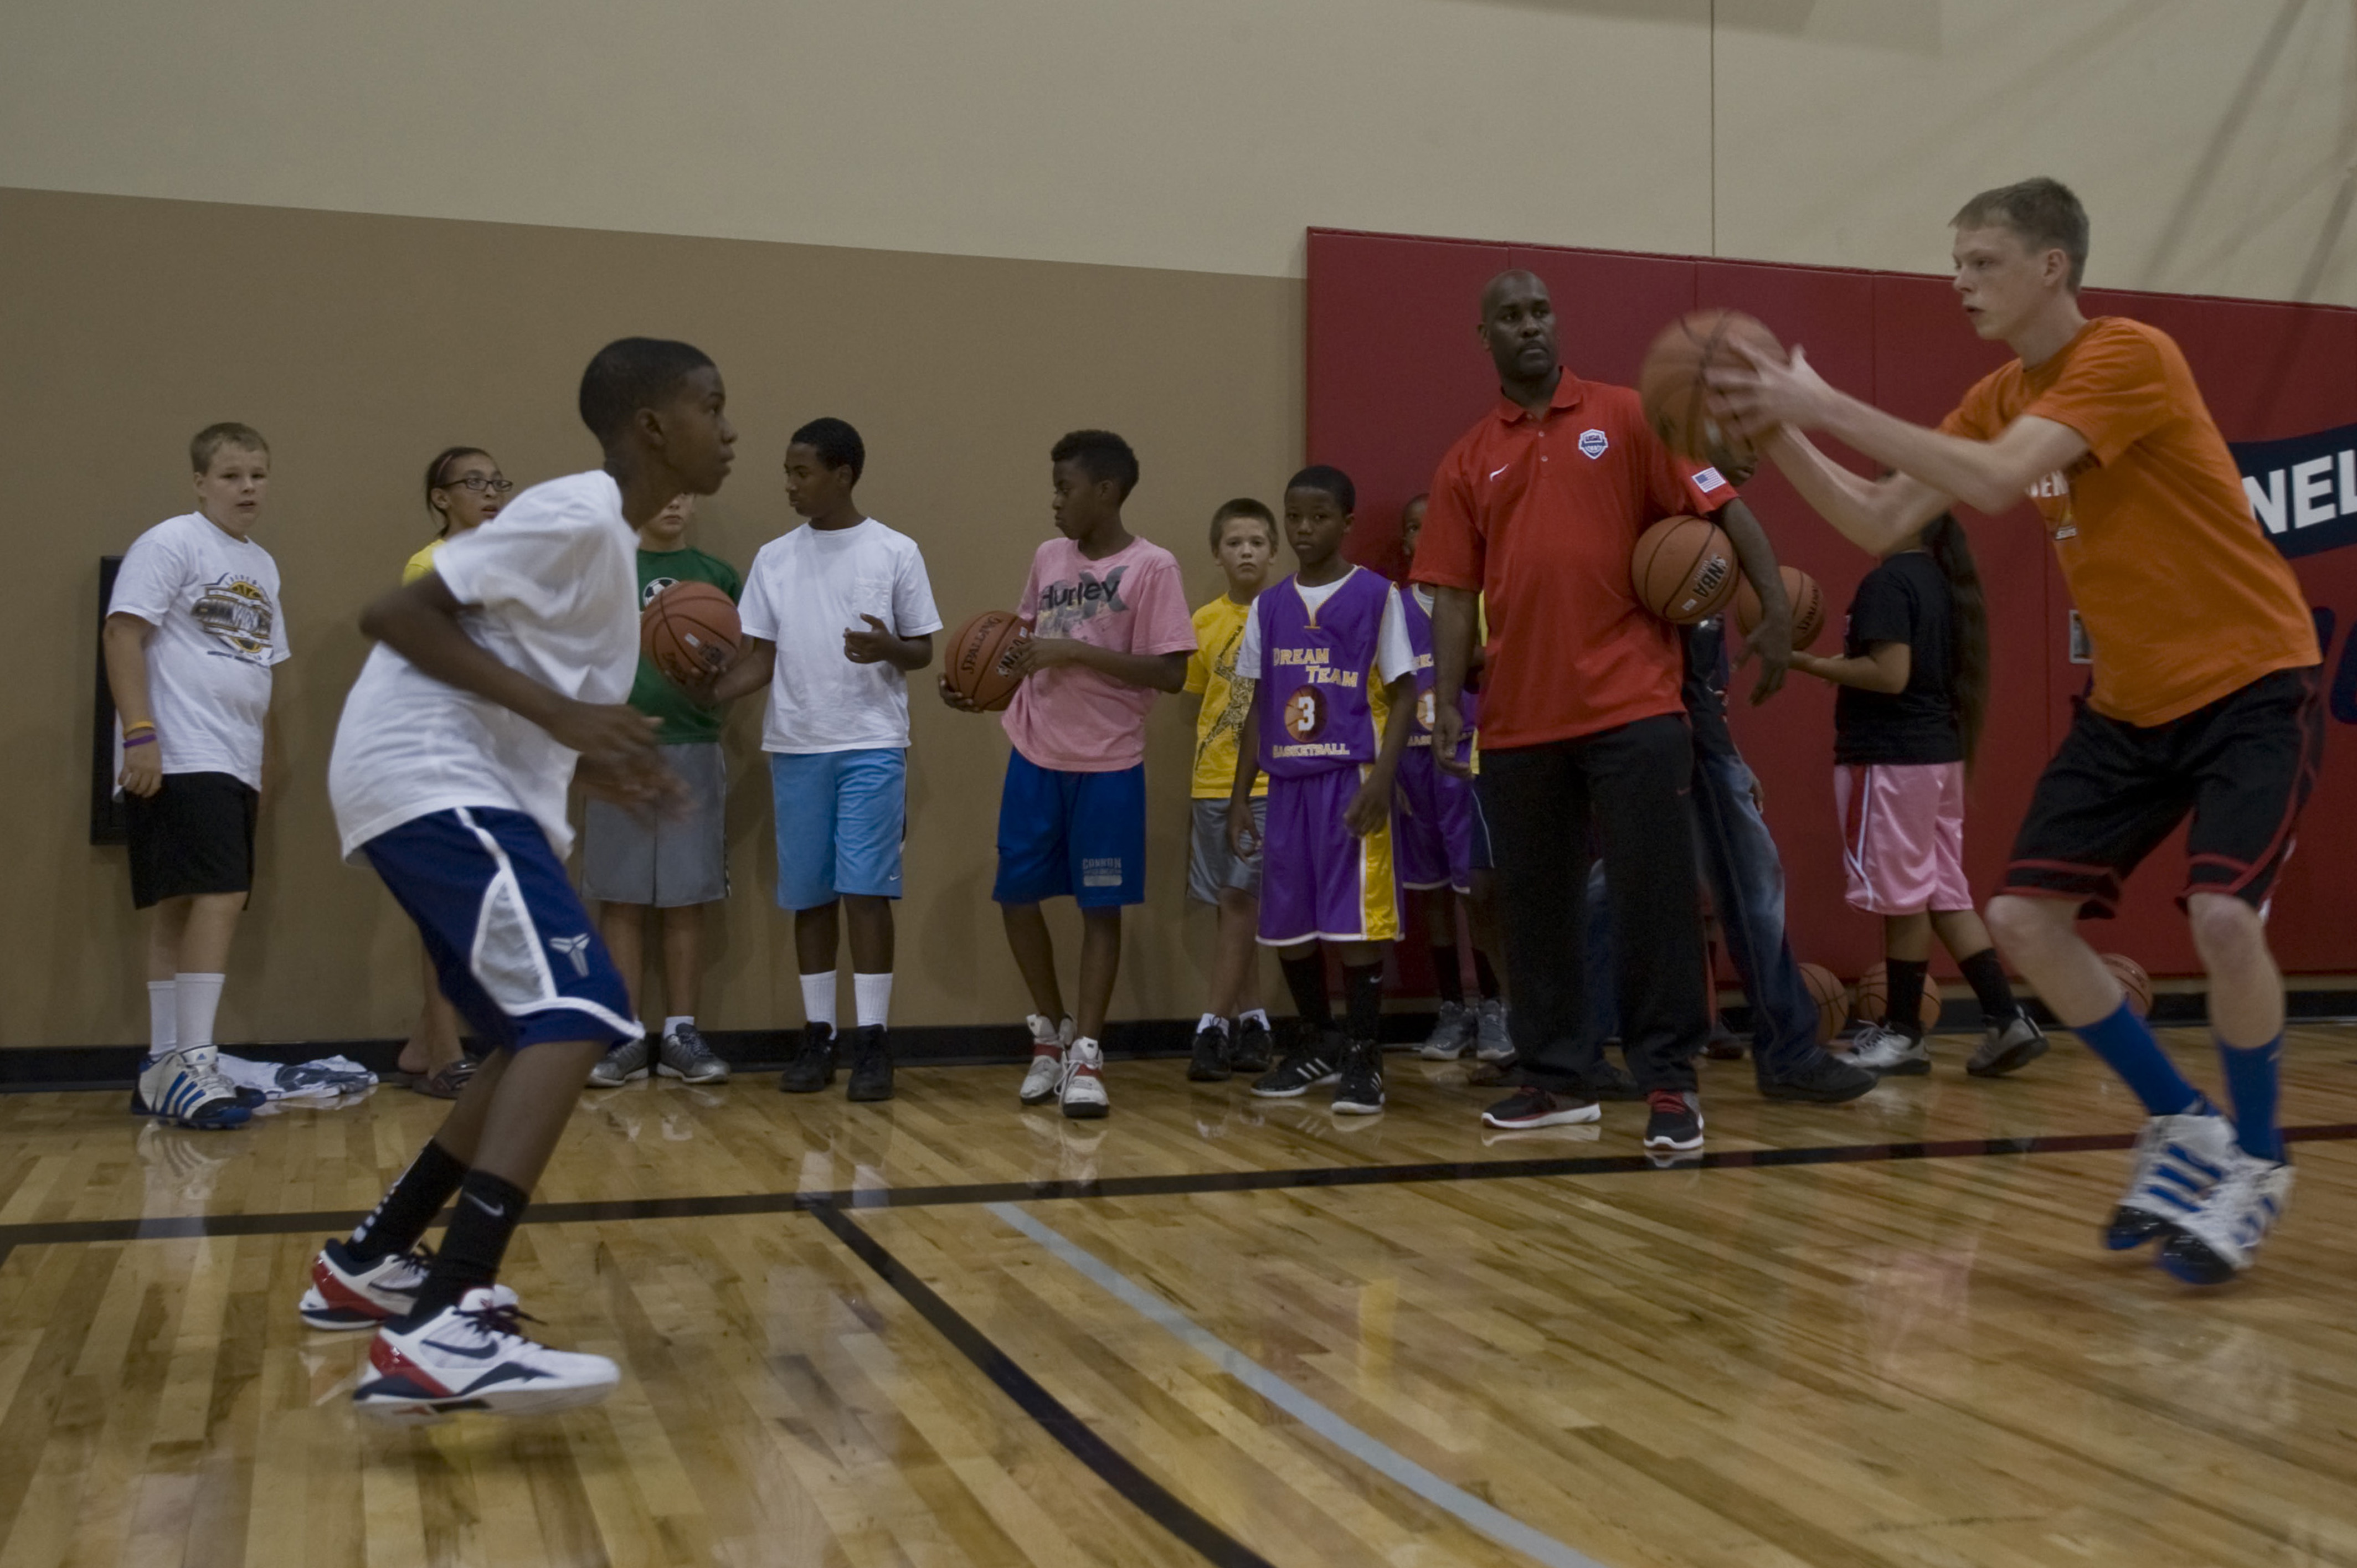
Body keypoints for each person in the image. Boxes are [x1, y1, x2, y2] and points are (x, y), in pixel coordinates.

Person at [1713, 177, 2321, 1282]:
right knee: (2021, 920)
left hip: (2249, 683)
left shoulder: (2127, 356)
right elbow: (1883, 517)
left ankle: (2263, 1158)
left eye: (1980, 262)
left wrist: (1821, 402)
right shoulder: (1999, 391)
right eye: (1954, 262)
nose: (1958, 282)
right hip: (2135, 706)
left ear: (2052, 266)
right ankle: (2183, 1122)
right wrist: (1780, 435)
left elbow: (1994, 484)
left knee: (2226, 918)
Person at [298, 337, 735, 1418]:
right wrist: (564, 717)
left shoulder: (605, 557)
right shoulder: (578, 510)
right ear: (651, 427)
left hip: (456, 785)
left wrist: (599, 760)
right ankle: (452, 1318)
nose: (731, 432)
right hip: (432, 775)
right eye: (714, 409)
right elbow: (394, 615)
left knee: (517, 1038)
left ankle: (370, 1260)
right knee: (581, 1010)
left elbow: (531, 695)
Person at [1413, 269, 1804, 1154]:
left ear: (1558, 319)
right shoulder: (1469, 458)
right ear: (1486, 336)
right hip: (1519, 714)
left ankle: (1669, 1083)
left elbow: (1723, 506)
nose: (1530, 327)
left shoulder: (1630, 416)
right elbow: (1448, 593)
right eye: (1509, 316)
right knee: (1534, 908)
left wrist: (1773, 610)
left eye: (1541, 310)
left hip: (1633, 704)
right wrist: (1443, 699)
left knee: (1654, 900)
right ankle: (1557, 1078)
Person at [941, 430, 1194, 1120]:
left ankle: (1087, 1052)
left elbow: (1172, 673)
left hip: (1108, 762)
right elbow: (1019, 649)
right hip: (1034, 751)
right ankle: (1048, 1038)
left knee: (1099, 908)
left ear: (1104, 492)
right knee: (1016, 896)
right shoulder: (1048, 557)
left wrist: (1074, 653)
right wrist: (974, 686)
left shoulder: (1153, 568)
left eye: (1065, 488)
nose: (1054, 501)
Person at [1575, 597, 1879, 1105]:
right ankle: (1790, 1052)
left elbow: (1703, 691)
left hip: (1688, 739)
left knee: (1619, 888)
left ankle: (1572, 1052)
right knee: (1750, 887)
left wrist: (1730, 755)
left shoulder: (1694, 568)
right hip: (1662, 736)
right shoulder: (1669, 552)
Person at [718, 417, 940, 1101]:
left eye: (801, 472)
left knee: (866, 892)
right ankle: (820, 1036)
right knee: (809, 898)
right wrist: (707, 691)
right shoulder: (773, 558)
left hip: (872, 743)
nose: (790, 484)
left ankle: (873, 1041)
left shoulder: (894, 551)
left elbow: (923, 651)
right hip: (797, 744)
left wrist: (888, 650)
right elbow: (758, 659)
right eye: (787, 472)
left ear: (841, 476)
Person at [1792, 512, 2045, 1077]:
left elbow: (1888, 675)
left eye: (1876, 496)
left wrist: (1802, 662)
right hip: (1936, 756)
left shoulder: (1887, 581)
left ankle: (1904, 1034)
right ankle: (2006, 1020)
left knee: (1903, 898)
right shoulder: (1941, 579)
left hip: (1891, 759)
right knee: (1940, 892)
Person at [106, 423, 289, 1131]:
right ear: (201, 482)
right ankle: (195, 1059)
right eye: (233, 475)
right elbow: (122, 633)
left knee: (182, 906)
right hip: (183, 750)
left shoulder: (263, 565)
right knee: (217, 894)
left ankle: (161, 1066)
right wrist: (140, 734)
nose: (248, 488)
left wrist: (266, 761)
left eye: (259, 475)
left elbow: (261, 667)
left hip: (233, 757)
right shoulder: (171, 542)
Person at [1226, 466, 1418, 1115]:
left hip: (1349, 777)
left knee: (1354, 925)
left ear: (1346, 523)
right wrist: (1238, 796)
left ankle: (1365, 1056)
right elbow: (1255, 707)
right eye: (1295, 517)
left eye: (1317, 517)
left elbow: (1403, 690)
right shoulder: (1268, 606)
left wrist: (1384, 780)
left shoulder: (1374, 595)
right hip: (1286, 784)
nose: (1304, 529)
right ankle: (1319, 1041)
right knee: (1288, 926)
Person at [582, 492, 740, 1089]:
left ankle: (679, 1030)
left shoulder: (718, 577)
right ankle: (623, 1032)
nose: (672, 503)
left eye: (684, 492)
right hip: (618, 747)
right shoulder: (606, 569)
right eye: (660, 489)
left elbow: (743, 657)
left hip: (693, 745)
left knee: (684, 896)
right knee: (619, 895)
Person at [393, 446, 512, 1100]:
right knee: (445, 904)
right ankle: (442, 1054)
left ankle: (420, 1044)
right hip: (441, 746)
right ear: (441, 498)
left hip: (494, 751)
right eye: (474, 483)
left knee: (476, 906)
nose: (490, 493)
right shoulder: (430, 564)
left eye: (497, 482)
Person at [1394, 493, 1511, 1065]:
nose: (1423, 536)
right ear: (1404, 541)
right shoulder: (1392, 606)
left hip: (1467, 762)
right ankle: (1450, 1006)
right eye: (1413, 528)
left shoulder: (1481, 600)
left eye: (1432, 526)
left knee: (1476, 891)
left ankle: (1493, 1004)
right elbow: (1377, 690)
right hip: (1412, 765)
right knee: (1432, 894)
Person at [1181, 498, 1280, 1081]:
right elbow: (1200, 695)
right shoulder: (1202, 623)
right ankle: (1257, 1022)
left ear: (1272, 552)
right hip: (1208, 780)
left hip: (1264, 784)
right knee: (1229, 906)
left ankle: (1211, 1025)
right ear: (1216, 554)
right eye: (1234, 543)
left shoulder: (1286, 613)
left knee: (1243, 900)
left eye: (1256, 543)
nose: (1245, 551)